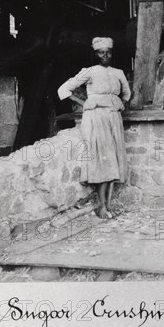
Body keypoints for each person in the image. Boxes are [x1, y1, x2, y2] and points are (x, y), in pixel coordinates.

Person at [57, 37, 131, 219]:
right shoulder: (90, 72)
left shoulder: (118, 72)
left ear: (112, 53)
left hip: (113, 117)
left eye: (108, 52)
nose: (105, 55)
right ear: (95, 54)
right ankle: (101, 205)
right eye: (101, 52)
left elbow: (127, 93)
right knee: (102, 161)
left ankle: (107, 204)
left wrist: (121, 103)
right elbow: (64, 89)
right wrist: (83, 102)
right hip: (95, 117)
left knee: (113, 160)